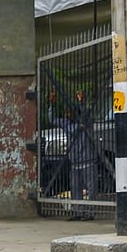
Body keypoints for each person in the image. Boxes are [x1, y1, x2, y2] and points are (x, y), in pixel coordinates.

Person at [49, 90, 98, 220]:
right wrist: (52, 105)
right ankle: (78, 212)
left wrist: (81, 102)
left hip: (87, 159)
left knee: (91, 188)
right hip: (75, 161)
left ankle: (90, 212)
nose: (67, 114)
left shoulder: (85, 123)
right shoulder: (67, 124)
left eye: (69, 112)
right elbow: (53, 119)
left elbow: (86, 113)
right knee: (75, 189)